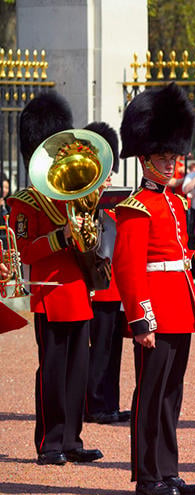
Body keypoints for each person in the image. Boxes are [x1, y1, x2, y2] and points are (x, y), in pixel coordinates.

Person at [114, 83, 195, 495]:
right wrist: (141, 319)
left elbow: (176, 254)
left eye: (173, 156)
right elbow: (128, 266)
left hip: (179, 305)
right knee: (151, 394)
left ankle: (168, 469)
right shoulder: (136, 206)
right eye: (163, 158)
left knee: (172, 392)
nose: (170, 164)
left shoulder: (174, 203)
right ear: (146, 159)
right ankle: (148, 474)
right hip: (155, 310)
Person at [7, 91, 103, 466]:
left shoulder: (69, 196)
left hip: (78, 291)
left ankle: (72, 438)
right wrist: (60, 237)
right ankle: (49, 442)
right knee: (51, 371)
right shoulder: (25, 203)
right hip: (49, 294)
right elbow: (24, 251)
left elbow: (88, 239)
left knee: (78, 371)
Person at [82, 121, 130, 425]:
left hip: (115, 286)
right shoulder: (86, 199)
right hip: (97, 286)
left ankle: (110, 402)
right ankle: (95, 403)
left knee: (113, 349)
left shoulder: (113, 200)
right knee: (98, 348)